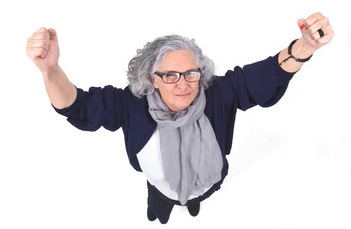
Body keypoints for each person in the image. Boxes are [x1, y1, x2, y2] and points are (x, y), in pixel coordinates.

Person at [26, 12, 334, 224]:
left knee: (196, 198)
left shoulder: (217, 93)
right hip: (160, 187)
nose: (183, 83)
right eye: (170, 75)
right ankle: (161, 206)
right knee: (160, 206)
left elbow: (265, 75)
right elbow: (77, 106)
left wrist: (305, 46)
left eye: (189, 73)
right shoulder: (130, 104)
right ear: (152, 78)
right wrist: (50, 70)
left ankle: (193, 199)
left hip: (209, 183)